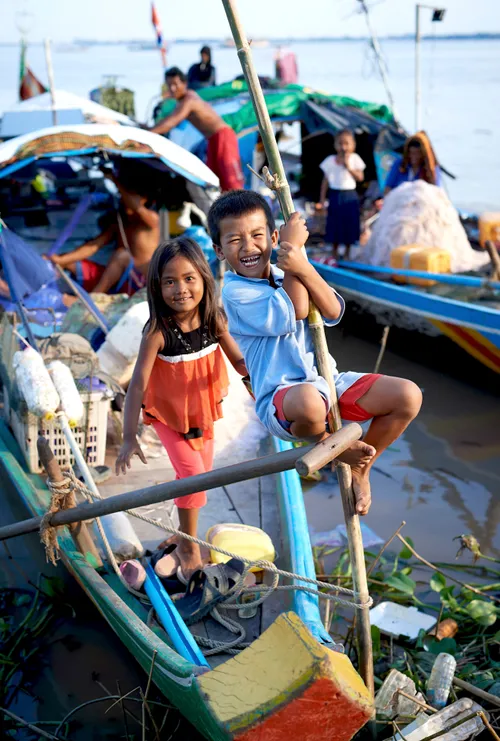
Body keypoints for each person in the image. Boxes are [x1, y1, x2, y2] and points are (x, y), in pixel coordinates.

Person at [209, 190, 422, 515]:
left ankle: (362, 466)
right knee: (309, 401)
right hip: (283, 402)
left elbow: (334, 309)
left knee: (407, 396)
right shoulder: (235, 292)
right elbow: (296, 309)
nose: (249, 247)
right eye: (235, 240)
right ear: (219, 250)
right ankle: (334, 447)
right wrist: (292, 253)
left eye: (257, 235)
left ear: (273, 236)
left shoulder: (286, 272)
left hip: (327, 383)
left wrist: (301, 265)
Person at [115, 236, 247, 578]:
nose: (181, 289)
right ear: (157, 287)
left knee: (194, 479)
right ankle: (189, 545)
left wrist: (267, 388)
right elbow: (137, 387)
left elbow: (241, 362)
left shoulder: (213, 319)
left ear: (204, 278)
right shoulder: (158, 331)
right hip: (168, 415)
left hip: (203, 410)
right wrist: (129, 437)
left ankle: (180, 532)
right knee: (192, 477)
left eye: (189, 278)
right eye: (169, 281)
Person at [47, 171, 159, 296]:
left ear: (145, 199)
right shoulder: (120, 221)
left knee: (122, 255)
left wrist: (114, 180)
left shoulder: (151, 220)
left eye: (129, 194)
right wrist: (59, 260)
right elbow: (94, 245)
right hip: (118, 278)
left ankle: (94, 299)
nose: (123, 197)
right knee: (68, 261)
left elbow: (136, 206)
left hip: (139, 283)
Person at [149, 67, 244, 192]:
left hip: (223, 136)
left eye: (175, 84)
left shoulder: (189, 100)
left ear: (184, 84)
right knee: (215, 181)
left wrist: (145, 135)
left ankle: (241, 209)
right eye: (169, 85)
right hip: (212, 140)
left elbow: (171, 122)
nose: (172, 89)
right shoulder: (182, 102)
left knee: (231, 182)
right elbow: (166, 121)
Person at [316, 129, 365, 262]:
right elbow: (325, 181)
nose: (343, 147)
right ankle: (334, 252)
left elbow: (360, 177)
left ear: (352, 145)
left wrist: (348, 166)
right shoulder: (330, 160)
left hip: (349, 195)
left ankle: (348, 253)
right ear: (336, 145)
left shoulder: (355, 159)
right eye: (340, 143)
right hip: (335, 195)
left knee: (349, 223)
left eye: (346, 143)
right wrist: (321, 199)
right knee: (335, 223)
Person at [384, 131, 441, 195]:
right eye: (411, 153)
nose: (413, 156)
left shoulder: (432, 169)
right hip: (399, 202)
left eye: (417, 153)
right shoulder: (399, 164)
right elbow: (388, 187)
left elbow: (436, 192)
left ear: (423, 154)